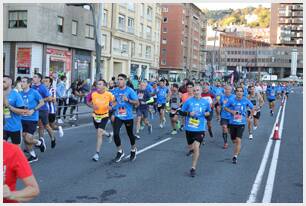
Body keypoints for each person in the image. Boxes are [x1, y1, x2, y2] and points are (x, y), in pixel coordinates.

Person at [179, 85, 211, 177]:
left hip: (200, 128)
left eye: (198, 90)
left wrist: (206, 113)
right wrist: (189, 113)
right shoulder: (188, 101)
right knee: (191, 147)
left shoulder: (205, 102)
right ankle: (191, 150)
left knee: (196, 147)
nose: (196, 92)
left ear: (201, 91)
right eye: (194, 90)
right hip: (189, 128)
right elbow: (181, 112)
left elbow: (209, 112)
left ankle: (193, 168)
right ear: (192, 92)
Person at [111, 73, 140, 162]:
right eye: (118, 79)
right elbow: (113, 102)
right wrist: (112, 111)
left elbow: (137, 103)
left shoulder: (130, 91)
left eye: (121, 79)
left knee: (130, 134)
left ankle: (133, 149)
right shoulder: (115, 90)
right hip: (118, 116)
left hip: (128, 117)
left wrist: (128, 100)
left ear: (125, 81)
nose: (119, 81)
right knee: (115, 134)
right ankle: (120, 151)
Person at [87, 79, 115, 161]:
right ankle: (109, 135)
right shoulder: (93, 94)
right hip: (95, 116)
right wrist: (92, 106)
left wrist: (111, 107)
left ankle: (97, 153)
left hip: (105, 116)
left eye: (100, 84)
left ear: (104, 86)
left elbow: (115, 102)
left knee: (99, 133)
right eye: (97, 84)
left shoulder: (109, 94)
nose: (97, 86)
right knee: (100, 131)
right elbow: (88, 101)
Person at [224, 86, 254, 164]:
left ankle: (235, 156)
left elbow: (252, 107)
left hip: (241, 123)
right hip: (232, 123)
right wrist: (231, 111)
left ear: (243, 93)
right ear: (235, 92)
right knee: (233, 139)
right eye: (238, 91)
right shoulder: (231, 100)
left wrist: (250, 116)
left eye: (241, 91)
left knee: (238, 140)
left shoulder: (245, 100)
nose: (239, 92)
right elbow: (225, 107)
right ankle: (237, 145)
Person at [20, 77, 46, 162]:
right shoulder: (19, 93)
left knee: (28, 138)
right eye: (21, 81)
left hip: (32, 118)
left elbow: (42, 102)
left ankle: (39, 143)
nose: (21, 83)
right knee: (25, 137)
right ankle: (33, 155)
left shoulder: (34, 92)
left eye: (24, 82)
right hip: (22, 118)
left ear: (28, 84)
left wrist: (33, 110)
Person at [31, 73, 56, 148]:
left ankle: (53, 138)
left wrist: (40, 100)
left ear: (39, 79)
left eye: (35, 77)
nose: (33, 78)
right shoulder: (32, 87)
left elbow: (49, 98)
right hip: (35, 110)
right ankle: (41, 140)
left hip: (43, 109)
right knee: (40, 126)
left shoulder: (43, 87)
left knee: (47, 126)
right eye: (33, 77)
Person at [3, 75, 27, 145]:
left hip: (14, 127)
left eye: (4, 81)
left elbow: (22, 111)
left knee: (16, 150)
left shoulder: (16, 95)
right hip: (3, 127)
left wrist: (9, 106)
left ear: (10, 82)